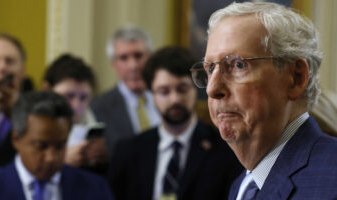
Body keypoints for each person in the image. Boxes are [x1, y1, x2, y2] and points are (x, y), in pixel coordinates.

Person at [189, 2, 337, 199]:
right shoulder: (242, 186)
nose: (212, 89)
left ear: (295, 78)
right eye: (209, 69)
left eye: (238, 65)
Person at [109, 46, 241, 200]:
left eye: (182, 89)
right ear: (151, 94)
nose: (175, 99)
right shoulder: (128, 151)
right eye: (164, 91)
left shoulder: (225, 148)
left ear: (195, 90)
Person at [0, 91, 114, 200]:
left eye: (60, 146)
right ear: (16, 138)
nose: (51, 158)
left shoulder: (95, 189)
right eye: (41, 146)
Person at [91, 26, 160, 155]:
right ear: (114, 64)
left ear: (150, 58)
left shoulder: (164, 97)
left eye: (138, 56)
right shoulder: (99, 107)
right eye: (124, 58)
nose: (133, 65)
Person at [42, 54, 109, 174]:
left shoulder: (96, 122)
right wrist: (61, 161)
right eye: (68, 96)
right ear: (47, 89)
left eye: (83, 98)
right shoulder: (31, 126)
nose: (76, 107)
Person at [0, 34, 25, 172]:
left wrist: (17, 112)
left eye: (9, 61)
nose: (2, 68)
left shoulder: (36, 111)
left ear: (23, 69)